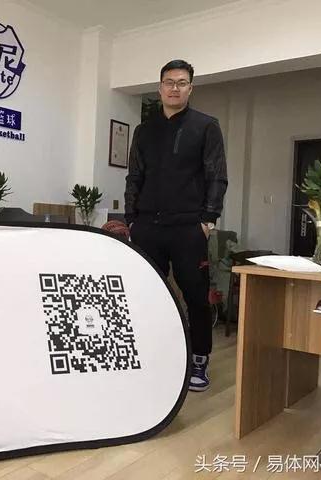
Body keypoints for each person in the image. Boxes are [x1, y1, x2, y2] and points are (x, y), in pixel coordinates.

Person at [124, 59, 228, 392]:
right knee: (147, 292)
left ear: (190, 88)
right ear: (160, 88)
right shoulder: (144, 131)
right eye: (169, 82)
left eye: (182, 83)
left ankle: (199, 358)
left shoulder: (206, 126)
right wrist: (130, 218)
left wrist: (208, 219)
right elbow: (134, 176)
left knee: (196, 295)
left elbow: (216, 175)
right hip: (147, 225)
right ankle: (152, 354)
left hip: (188, 227)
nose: (174, 88)